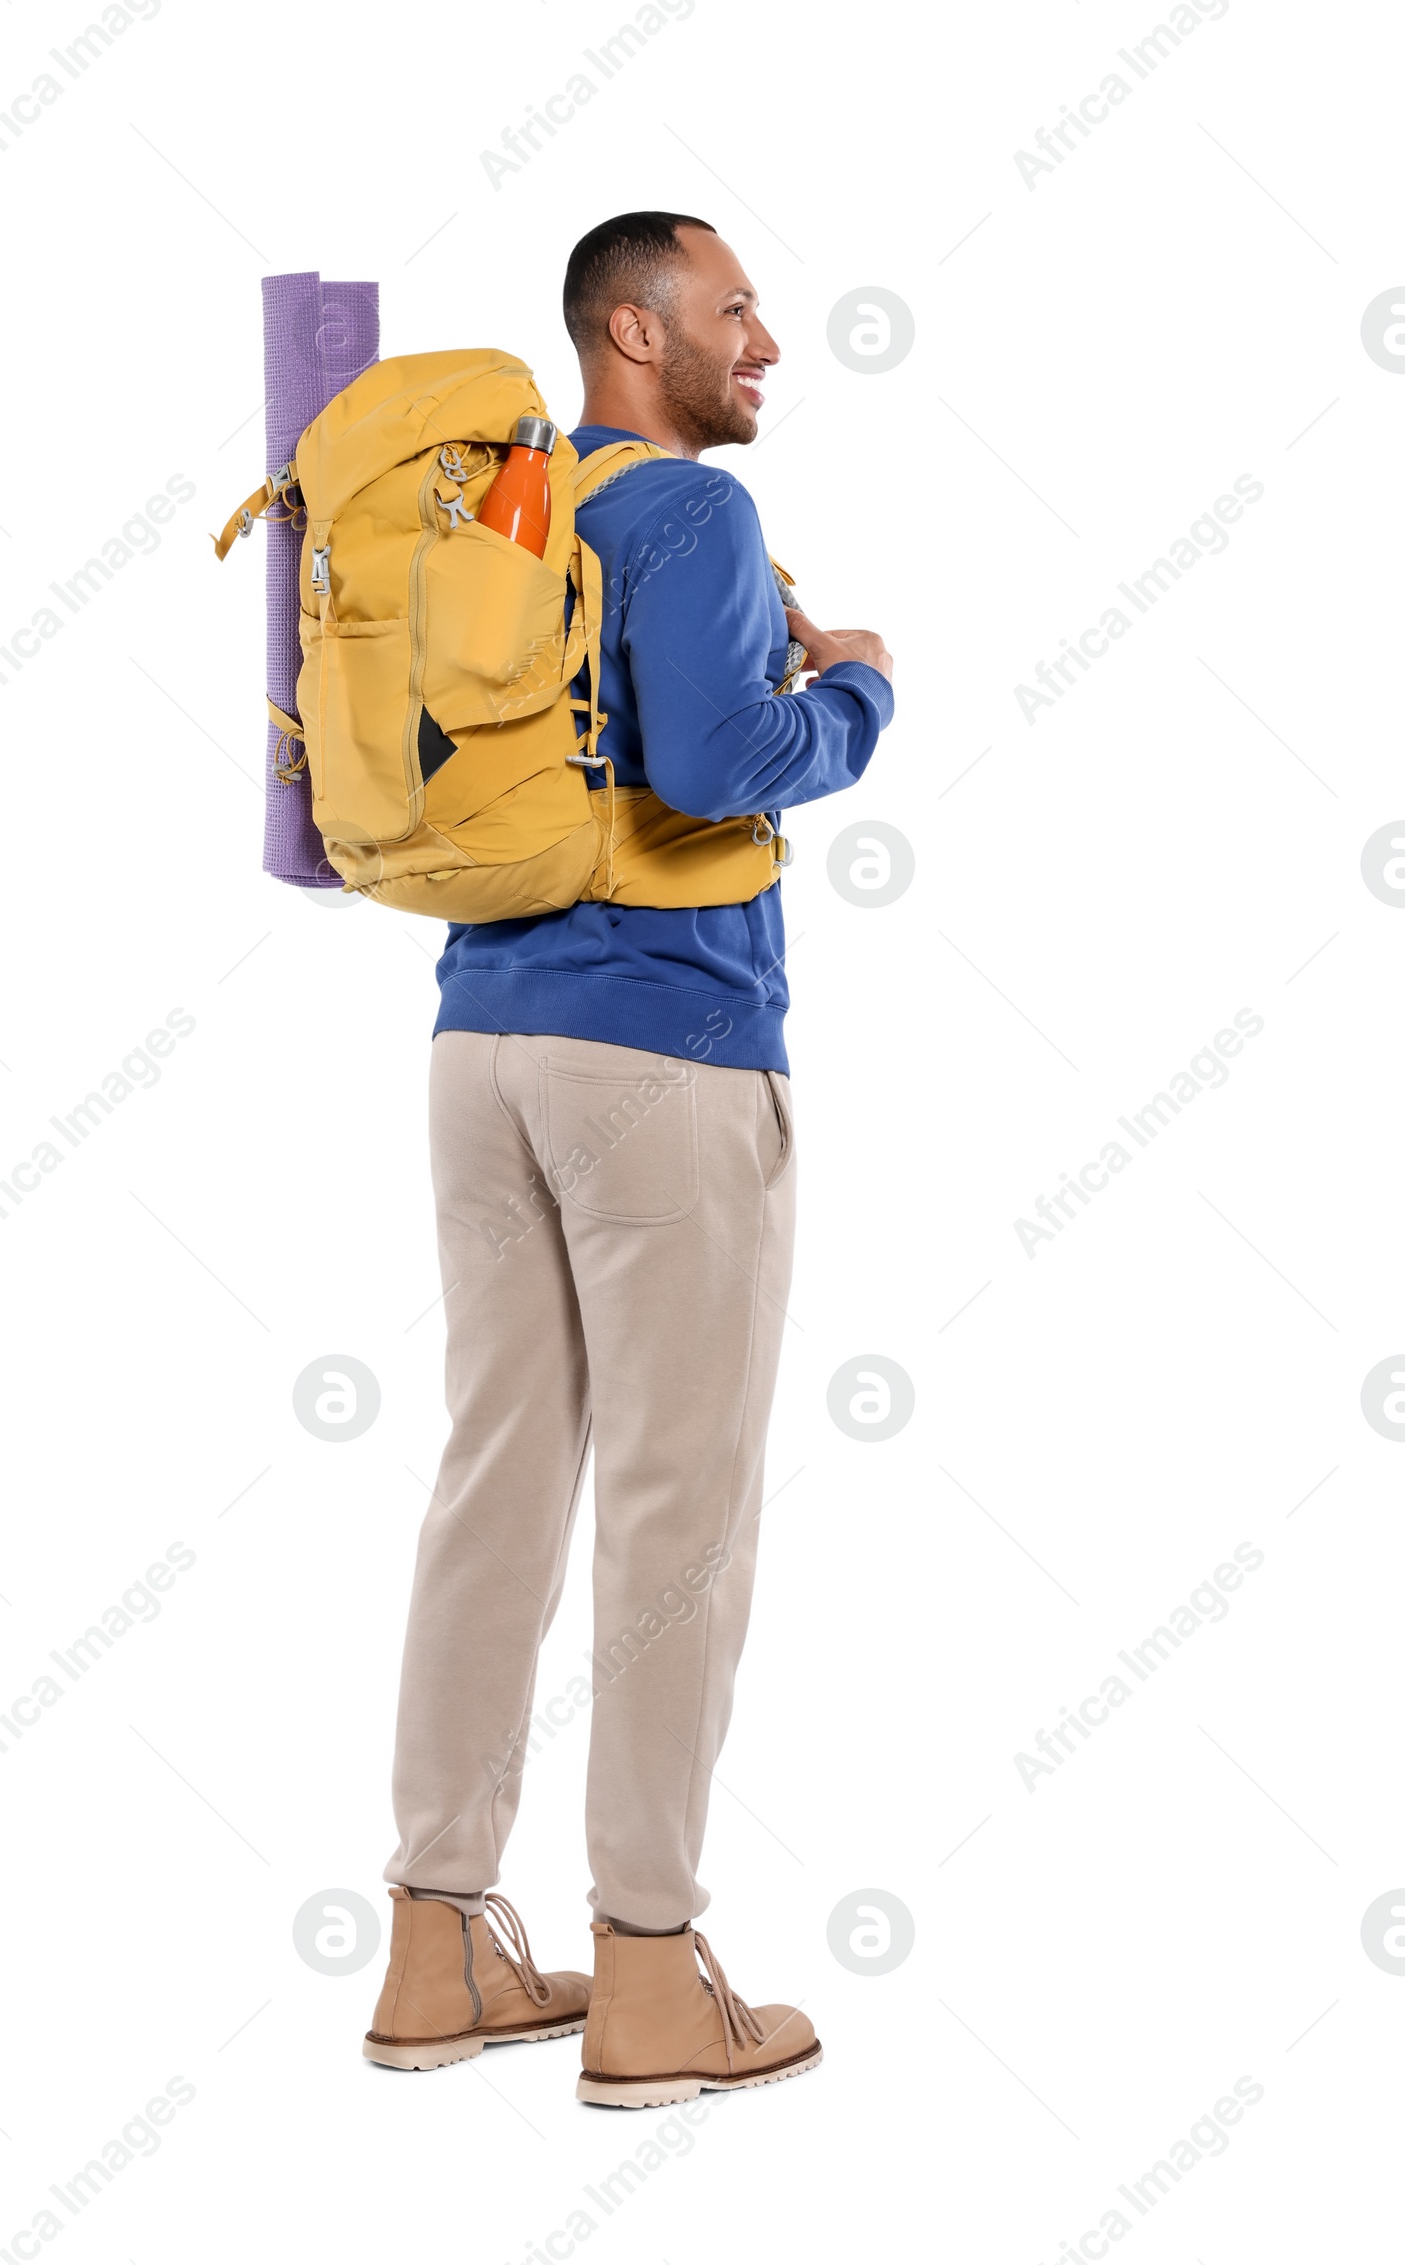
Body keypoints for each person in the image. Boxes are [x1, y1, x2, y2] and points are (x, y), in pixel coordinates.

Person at [363, 212, 894, 2107]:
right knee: (681, 1512)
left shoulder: (485, 512)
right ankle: (654, 1981)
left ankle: (437, 1945)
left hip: (479, 1041)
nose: (762, 336)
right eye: (729, 309)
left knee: (494, 1481)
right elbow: (722, 759)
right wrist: (862, 689)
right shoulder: (689, 517)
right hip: (662, 1052)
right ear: (628, 328)